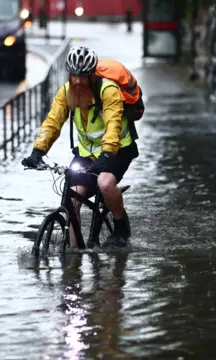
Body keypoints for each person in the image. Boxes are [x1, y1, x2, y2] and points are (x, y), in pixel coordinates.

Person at [22, 46, 139, 248]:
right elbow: (53, 121)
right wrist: (38, 151)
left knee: (104, 183)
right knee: (71, 199)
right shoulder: (67, 92)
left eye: (82, 76)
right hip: (86, 153)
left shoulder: (108, 91)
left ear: (92, 76)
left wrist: (107, 153)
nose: (77, 81)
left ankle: (121, 227)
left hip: (117, 150)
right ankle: (76, 256)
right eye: (73, 75)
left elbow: (113, 124)